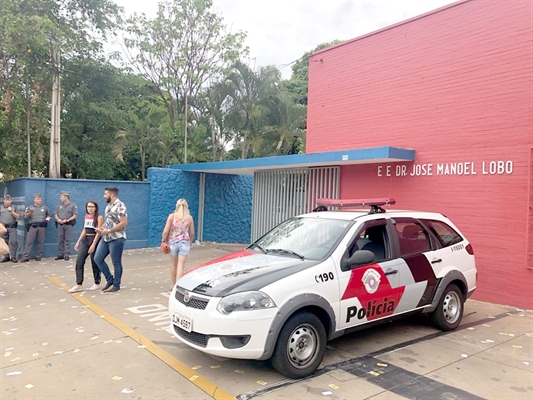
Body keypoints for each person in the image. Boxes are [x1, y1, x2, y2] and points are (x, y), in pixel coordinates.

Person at [94, 186, 128, 293]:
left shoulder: (121, 206)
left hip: (117, 238)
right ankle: (110, 279)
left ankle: (116, 285)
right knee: (97, 258)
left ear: (111, 195)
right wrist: (101, 228)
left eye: (105, 194)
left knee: (116, 262)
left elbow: (123, 222)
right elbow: (107, 221)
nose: (104, 196)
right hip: (106, 238)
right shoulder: (108, 207)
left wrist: (109, 230)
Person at [68, 201, 104, 293]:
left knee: (94, 262)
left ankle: (97, 282)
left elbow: (98, 233)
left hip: (94, 239)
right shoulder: (86, 216)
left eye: (92, 206)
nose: (90, 208)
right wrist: (78, 242)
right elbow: (84, 229)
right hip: (86, 240)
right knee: (79, 262)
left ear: (96, 208)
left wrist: (93, 244)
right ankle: (79, 284)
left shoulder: (99, 217)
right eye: (88, 206)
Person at [162, 198, 195, 291]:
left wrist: (163, 240)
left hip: (173, 243)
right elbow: (192, 233)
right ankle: (178, 286)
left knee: (173, 265)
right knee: (181, 266)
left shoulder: (171, 217)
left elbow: (165, 231)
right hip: (185, 243)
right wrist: (190, 241)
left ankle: (172, 285)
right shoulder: (189, 218)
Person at [21, 193, 52, 262]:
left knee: (41, 242)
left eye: (40, 199)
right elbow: (26, 216)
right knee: (29, 242)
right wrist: (30, 212)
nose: (40, 200)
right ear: (34, 200)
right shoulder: (30, 207)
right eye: (38, 199)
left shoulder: (45, 208)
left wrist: (48, 218)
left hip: (42, 226)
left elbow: (48, 215)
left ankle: (38, 256)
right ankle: (26, 256)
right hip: (33, 226)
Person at [54, 191, 78, 261]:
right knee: (60, 239)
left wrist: (67, 220)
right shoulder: (58, 205)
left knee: (67, 239)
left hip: (68, 224)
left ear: (66, 197)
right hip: (60, 224)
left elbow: (74, 215)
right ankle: (60, 254)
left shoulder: (72, 205)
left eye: (61, 197)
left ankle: (66, 254)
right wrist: (58, 219)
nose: (60, 198)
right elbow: (56, 214)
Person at [0, 195, 20, 263]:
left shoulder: (14, 207)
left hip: (12, 227)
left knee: (13, 242)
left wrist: (12, 211)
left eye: (9, 200)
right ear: (4, 201)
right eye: (6, 200)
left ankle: (13, 257)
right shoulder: (1, 208)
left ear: (11, 201)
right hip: (3, 227)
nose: (7, 201)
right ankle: (6, 256)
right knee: (4, 242)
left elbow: (18, 216)